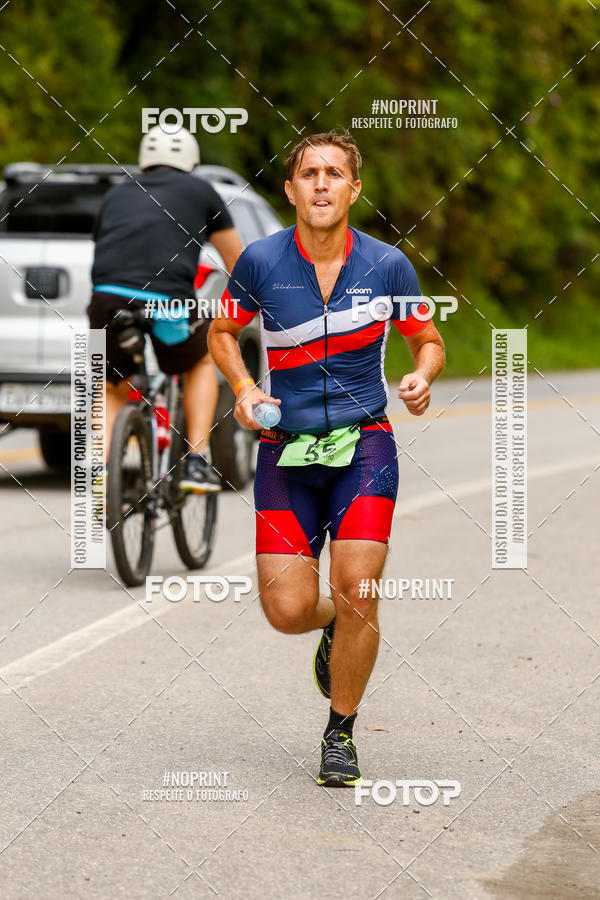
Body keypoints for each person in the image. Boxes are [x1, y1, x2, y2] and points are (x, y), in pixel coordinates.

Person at [208, 131, 445, 786]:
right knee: (286, 609)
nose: (320, 183)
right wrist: (244, 386)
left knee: (359, 587)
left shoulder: (388, 265)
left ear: (353, 189)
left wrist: (423, 375)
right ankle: (337, 621)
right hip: (285, 450)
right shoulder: (259, 261)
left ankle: (340, 730)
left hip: (365, 445)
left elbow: (428, 338)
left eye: (333, 173)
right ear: (289, 190)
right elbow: (222, 331)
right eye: (308, 173)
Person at [88, 125, 242, 491]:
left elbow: (105, 246)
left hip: (107, 299)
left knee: (109, 386)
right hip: (169, 302)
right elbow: (238, 263)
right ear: (191, 161)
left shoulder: (117, 192)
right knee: (202, 357)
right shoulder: (203, 191)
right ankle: (197, 460)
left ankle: (99, 474)